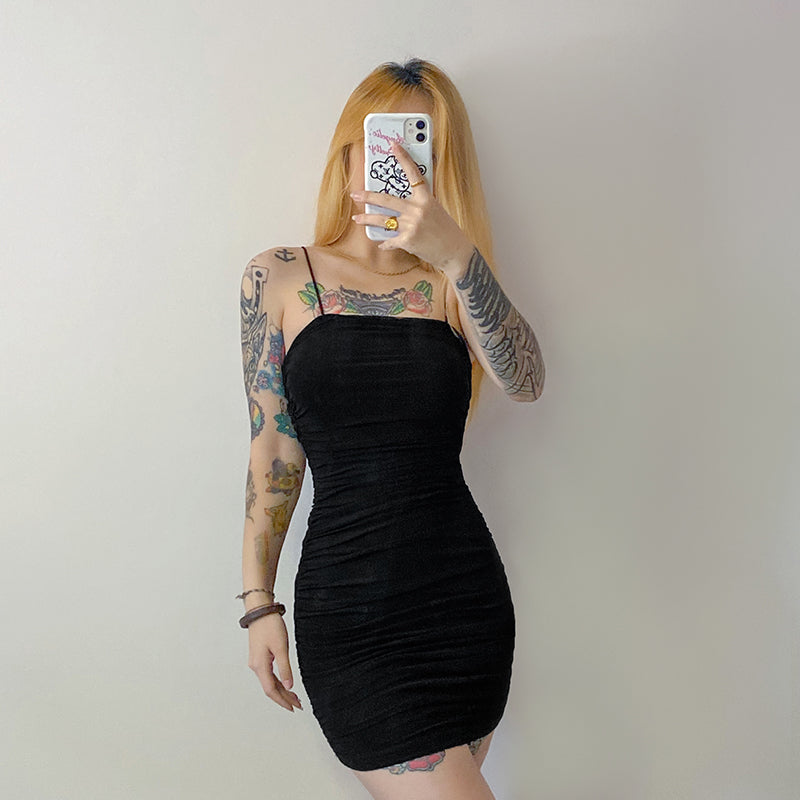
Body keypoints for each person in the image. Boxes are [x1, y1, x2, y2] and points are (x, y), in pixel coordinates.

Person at [237, 57, 545, 800]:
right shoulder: (281, 276)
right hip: (352, 613)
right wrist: (258, 602)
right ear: (349, 154)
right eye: (382, 144)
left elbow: (527, 381)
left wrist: (456, 251)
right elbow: (274, 451)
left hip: (463, 601)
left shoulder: (450, 284)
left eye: (420, 149)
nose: (396, 165)